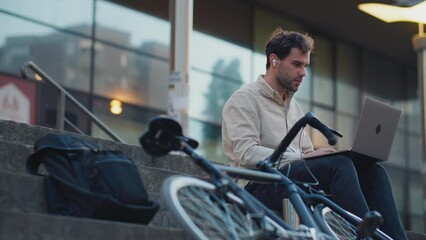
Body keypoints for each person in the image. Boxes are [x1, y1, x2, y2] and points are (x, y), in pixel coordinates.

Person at [221, 28, 407, 239]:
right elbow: (246, 154)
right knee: (339, 165)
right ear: (274, 61)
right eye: (297, 64)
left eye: (306, 66)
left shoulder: (294, 107)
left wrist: (322, 154)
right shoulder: (244, 99)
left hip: (294, 182)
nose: (303, 73)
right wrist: (304, 157)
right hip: (258, 186)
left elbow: (307, 155)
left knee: (373, 172)